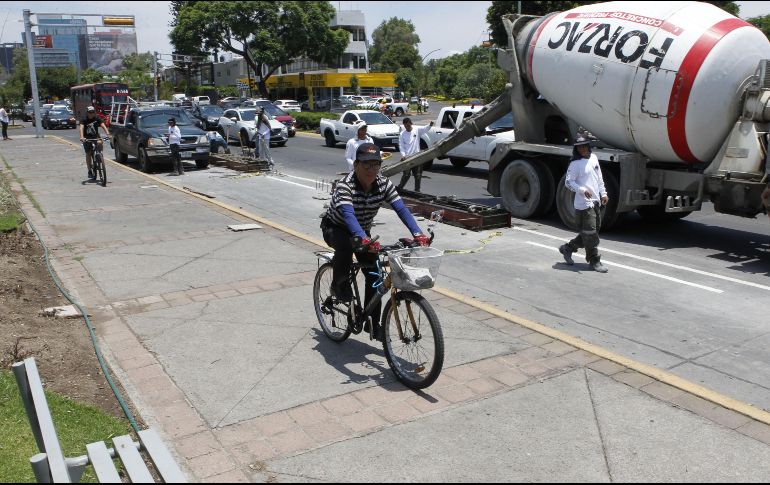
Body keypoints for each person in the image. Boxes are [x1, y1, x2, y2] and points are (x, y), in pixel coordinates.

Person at [321, 143, 430, 340]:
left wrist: (418, 233)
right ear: (356, 165)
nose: (371, 170)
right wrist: (363, 239)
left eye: (375, 165)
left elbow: (401, 208)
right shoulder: (346, 185)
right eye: (366, 165)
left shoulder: (383, 184)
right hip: (335, 228)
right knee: (346, 245)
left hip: (362, 231)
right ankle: (339, 285)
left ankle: (373, 323)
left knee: (374, 272)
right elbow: (348, 215)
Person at [559, 135, 609, 273]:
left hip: (595, 201)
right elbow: (568, 182)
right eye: (579, 147)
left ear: (589, 146)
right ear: (576, 148)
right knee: (590, 232)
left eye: (584, 146)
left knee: (591, 232)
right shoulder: (575, 164)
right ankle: (594, 261)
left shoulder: (594, 158)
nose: (582, 149)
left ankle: (568, 248)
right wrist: (581, 190)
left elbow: (599, 178)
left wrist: (603, 194)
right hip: (583, 204)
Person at [397, 118, 434, 192]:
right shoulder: (402, 134)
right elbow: (401, 146)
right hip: (407, 158)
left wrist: (430, 125)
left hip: (417, 157)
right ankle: (400, 188)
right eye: (405, 125)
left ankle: (417, 190)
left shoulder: (416, 130)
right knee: (406, 175)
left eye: (408, 125)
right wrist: (403, 155)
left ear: (411, 123)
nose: (407, 127)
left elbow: (425, 129)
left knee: (418, 175)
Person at [79, 106, 111, 180]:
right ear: (87, 113)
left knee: (100, 142)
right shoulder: (84, 119)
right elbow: (81, 128)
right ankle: (90, 170)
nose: (91, 114)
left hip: (95, 136)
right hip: (86, 138)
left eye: (93, 112)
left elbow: (103, 125)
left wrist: (108, 134)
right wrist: (82, 137)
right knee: (88, 153)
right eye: (90, 112)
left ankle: (100, 156)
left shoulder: (97, 118)